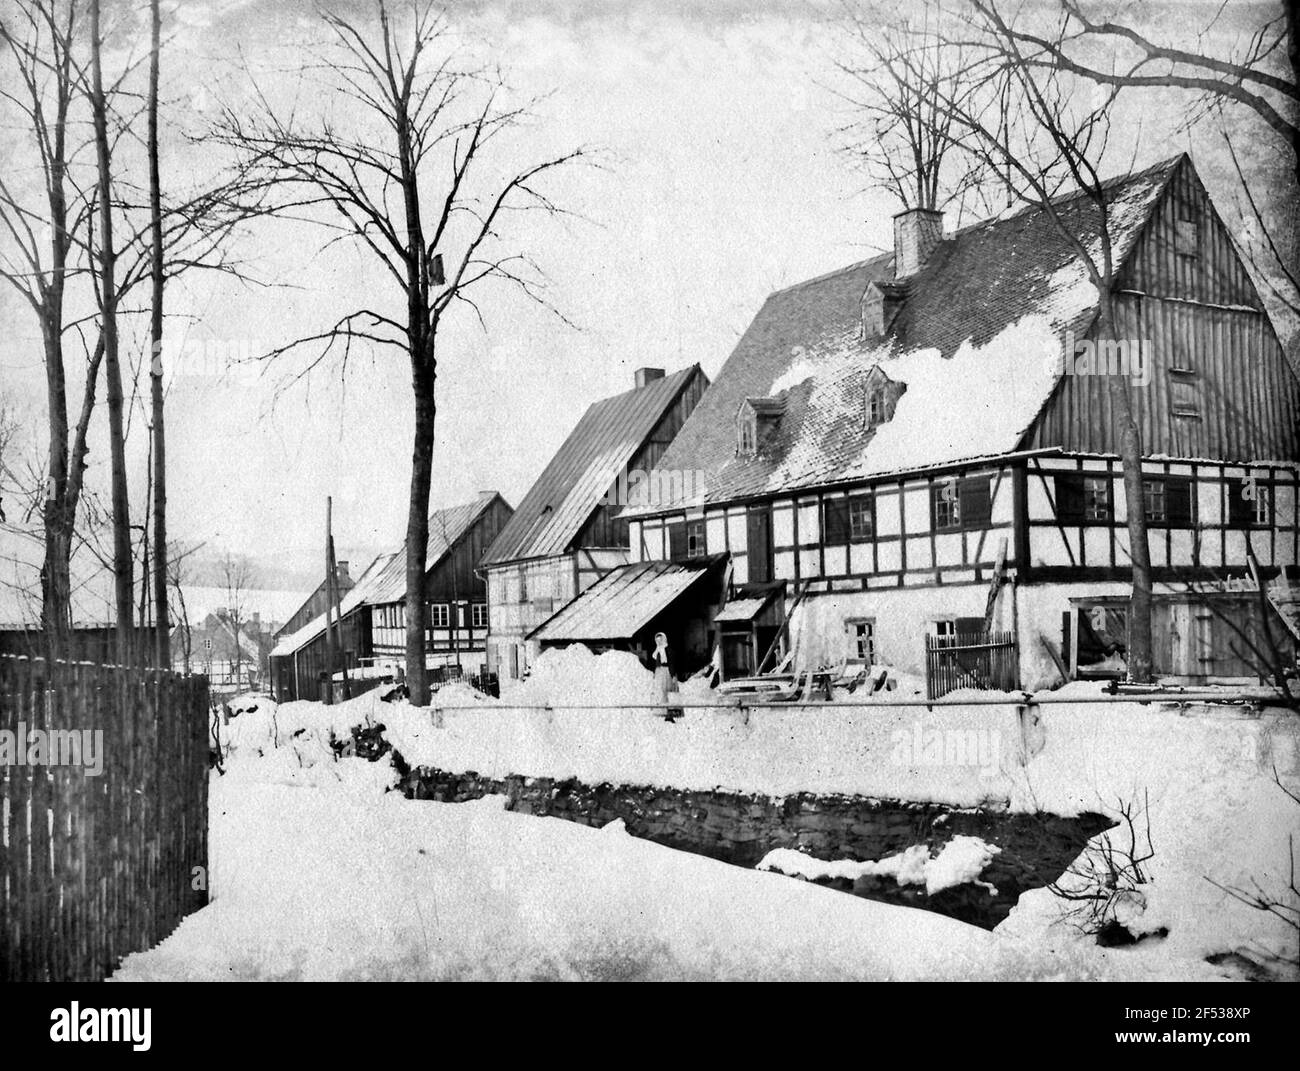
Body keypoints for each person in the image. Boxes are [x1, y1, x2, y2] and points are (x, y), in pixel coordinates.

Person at [651, 632, 682, 721]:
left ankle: (670, 713)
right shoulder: (657, 651)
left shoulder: (669, 650)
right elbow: (656, 663)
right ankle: (661, 712)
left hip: (667, 672)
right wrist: (655, 673)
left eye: (661, 640)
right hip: (659, 673)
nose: (659, 642)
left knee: (668, 692)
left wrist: (673, 675)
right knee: (659, 692)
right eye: (657, 640)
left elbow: (671, 664)